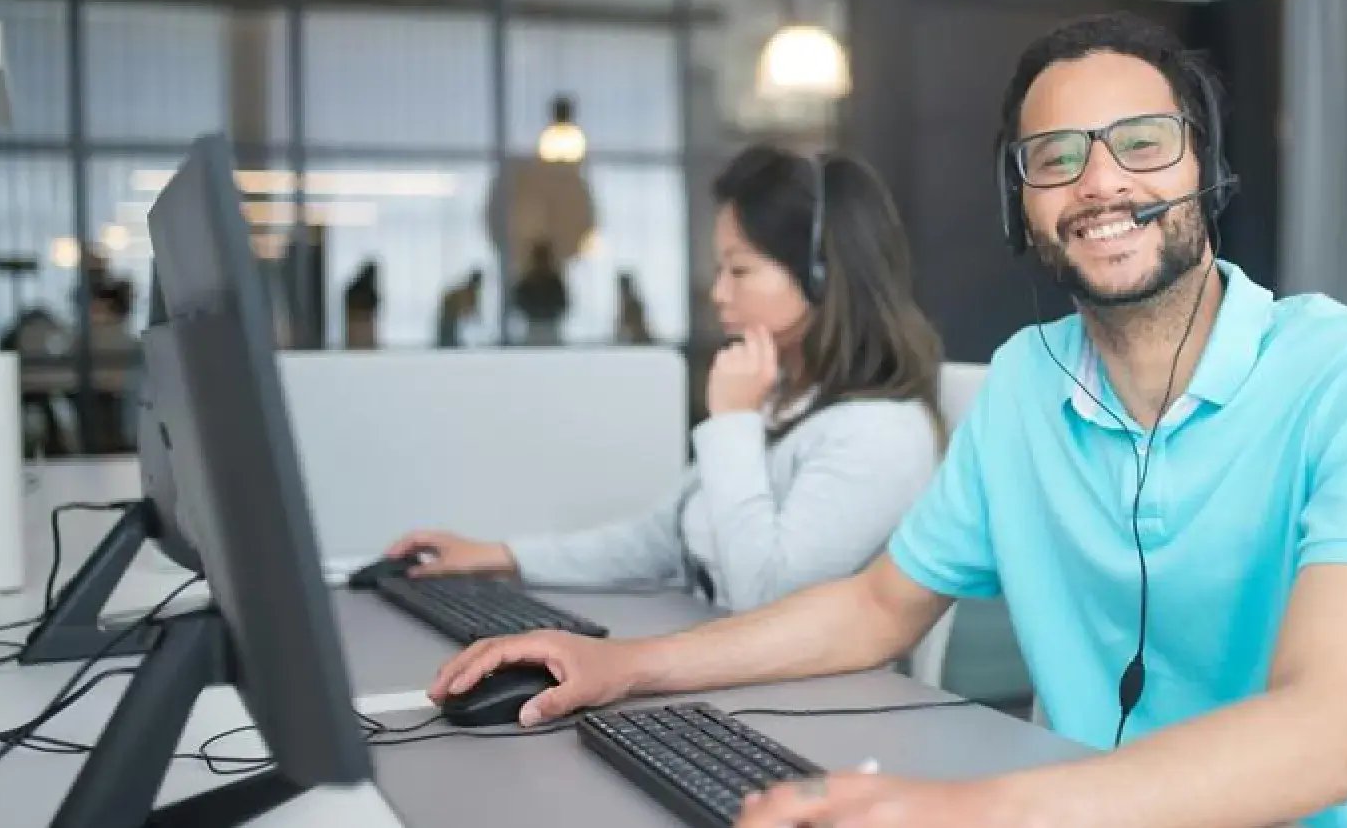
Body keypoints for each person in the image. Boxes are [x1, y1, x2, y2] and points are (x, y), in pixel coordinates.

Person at [425, 13, 1347, 828]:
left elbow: (1324, 736)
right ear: (1021, 204)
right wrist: (623, 665)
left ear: (1205, 170)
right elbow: (875, 608)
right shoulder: (1022, 383)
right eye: (1055, 159)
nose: (1100, 181)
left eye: (1142, 144)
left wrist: (971, 811)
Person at [386, 144, 946, 613]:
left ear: (824, 275)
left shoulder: (878, 433)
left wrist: (733, 423)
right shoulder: (787, 400)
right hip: (726, 670)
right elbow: (661, 540)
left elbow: (767, 598)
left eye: (741, 270)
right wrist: (501, 555)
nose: (720, 292)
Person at [513, 241, 568, 345]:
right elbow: (519, 302)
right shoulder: (527, 282)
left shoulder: (554, 282)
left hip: (550, 327)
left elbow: (562, 304)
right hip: (533, 327)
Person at [435, 269, 483, 348]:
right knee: (447, 342)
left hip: (450, 318)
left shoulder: (467, 291)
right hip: (448, 318)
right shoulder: (466, 292)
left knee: (450, 341)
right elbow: (465, 307)